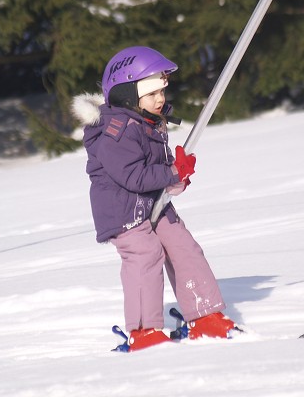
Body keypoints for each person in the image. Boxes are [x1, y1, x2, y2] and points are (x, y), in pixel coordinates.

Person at [72, 46, 237, 351]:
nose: (161, 98)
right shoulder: (116, 131)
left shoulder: (147, 119)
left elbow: (154, 172)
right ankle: (144, 330)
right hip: (122, 210)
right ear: (127, 95)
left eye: (162, 89)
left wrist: (177, 179)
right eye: (152, 93)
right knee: (145, 254)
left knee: (183, 245)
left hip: (151, 202)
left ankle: (205, 315)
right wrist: (171, 173)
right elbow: (133, 177)